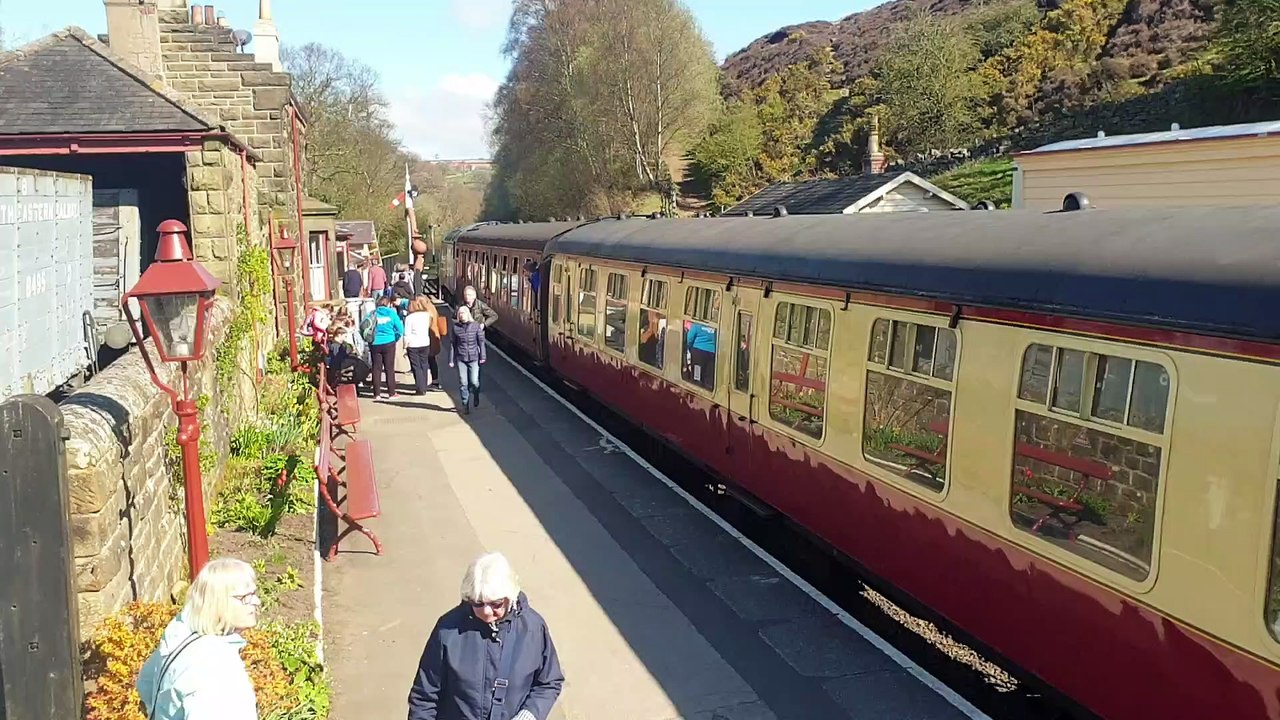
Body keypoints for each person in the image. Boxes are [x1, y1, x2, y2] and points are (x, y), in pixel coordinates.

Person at [407, 552, 564, 720]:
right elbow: (424, 697)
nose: (487, 612)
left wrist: (529, 714)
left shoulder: (533, 628)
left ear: (510, 596)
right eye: (478, 603)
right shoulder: (448, 630)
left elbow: (548, 682)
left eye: (496, 604)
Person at [136, 557, 262, 720]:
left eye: (254, 593)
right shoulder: (216, 668)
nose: (256, 602)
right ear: (217, 602)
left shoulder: (181, 631)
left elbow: (145, 683)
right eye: (244, 597)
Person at [449, 305, 486, 414]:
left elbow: (481, 342)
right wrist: (451, 359)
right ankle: (465, 404)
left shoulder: (475, 326)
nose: (462, 315)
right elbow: (453, 344)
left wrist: (483, 356)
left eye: (463, 313)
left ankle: (476, 394)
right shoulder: (456, 328)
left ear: (468, 314)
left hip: (474, 358)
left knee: (474, 381)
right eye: (460, 314)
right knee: (463, 382)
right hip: (461, 358)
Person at [368, 296, 404, 399]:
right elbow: (400, 329)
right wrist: (394, 338)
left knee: (376, 368)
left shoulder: (372, 313)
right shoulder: (392, 313)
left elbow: (364, 326)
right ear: (388, 304)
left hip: (375, 343)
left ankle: (377, 393)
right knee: (389, 368)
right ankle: (391, 392)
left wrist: (369, 339)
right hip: (389, 342)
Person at [404, 295, 439, 395]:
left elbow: (407, 333)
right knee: (424, 364)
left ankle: (420, 388)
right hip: (425, 342)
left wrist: (405, 345)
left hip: (413, 344)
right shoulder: (427, 315)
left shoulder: (409, 318)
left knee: (416, 366)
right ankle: (424, 385)